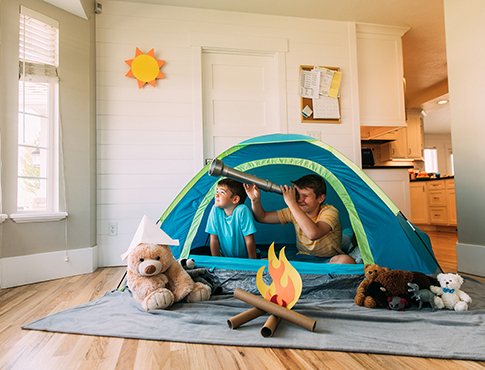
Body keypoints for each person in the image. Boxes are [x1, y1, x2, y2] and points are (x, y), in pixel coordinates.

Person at [244, 174, 355, 264]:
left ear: (321, 198)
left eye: (305, 196)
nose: (300, 199)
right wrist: (255, 200)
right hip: (302, 258)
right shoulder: (294, 210)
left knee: (346, 261)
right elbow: (262, 217)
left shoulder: (330, 211)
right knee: (264, 262)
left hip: (327, 260)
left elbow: (313, 234)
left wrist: (292, 203)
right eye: (297, 195)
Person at [205, 178, 258, 259]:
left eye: (222, 192)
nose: (216, 195)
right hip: (225, 257)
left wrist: (252, 262)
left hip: (244, 257)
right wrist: (216, 260)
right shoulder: (215, 210)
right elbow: (213, 238)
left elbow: (249, 239)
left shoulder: (242, 210)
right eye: (217, 191)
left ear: (235, 199)